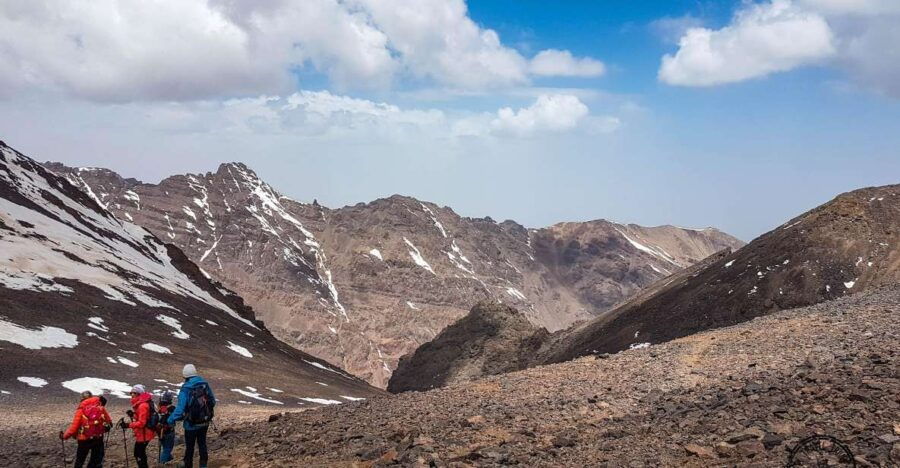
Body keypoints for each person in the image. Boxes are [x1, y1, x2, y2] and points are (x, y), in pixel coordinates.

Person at [167, 364, 216, 468]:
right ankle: (203, 466)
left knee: (190, 447)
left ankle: (188, 465)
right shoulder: (204, 385)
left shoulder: (186, 388)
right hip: (204, 422)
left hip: (191, 424)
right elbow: (212, 401)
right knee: (202, 444)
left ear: (185, 376)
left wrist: (170, 420)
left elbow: (180, 410)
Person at [61, 391, 112, 468]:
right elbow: (109, 422)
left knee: (80, 460)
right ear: (91, 397)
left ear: (82, 399)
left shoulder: (80, 410)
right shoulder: (100, 408)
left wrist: (64, 436)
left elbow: (74, 427)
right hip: (98, 438)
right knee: (95, 460)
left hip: (84, 439)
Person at [118, 384, 155, 468]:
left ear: (139, 394)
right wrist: (133, 415)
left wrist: (128, 425)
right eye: (131, 393)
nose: (131, 395)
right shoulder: (142, 404)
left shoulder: (142, 405)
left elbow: (142, 423)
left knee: (138, 453)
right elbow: (142, 418)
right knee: (140, 453)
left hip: (144, 434)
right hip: (144, 433)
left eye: (134, 393)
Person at [157, 391, 177, 464]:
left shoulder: (160, 407)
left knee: (165, 447)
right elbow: (176, 417)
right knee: (167, 449)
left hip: (160, 431)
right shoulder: (171, 408)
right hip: (169, 431)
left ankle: (169, 459)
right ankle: (162, 463)